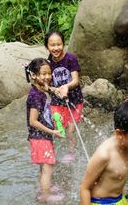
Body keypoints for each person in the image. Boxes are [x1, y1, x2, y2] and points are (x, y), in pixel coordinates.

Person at [80, 98, 128, 205]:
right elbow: (84, 189)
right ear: (119, 134)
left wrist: (125, 198)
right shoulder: (104, 155)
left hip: (119, 199)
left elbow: (119, 180)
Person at [24, 58, 65, 202]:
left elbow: (48, 89)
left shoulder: (40, 91)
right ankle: (45, 196)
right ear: (34, 75)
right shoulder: (35, 96)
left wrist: (54, 117)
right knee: (48, 167)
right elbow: (33, 121)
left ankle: (44, 187)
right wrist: (53, 132)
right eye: (43, 74)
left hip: (41, 137)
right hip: (39, 137)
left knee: (44, 166)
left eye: (49, 73)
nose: (47, 77)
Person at [44, 30, 84, 163]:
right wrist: (53, 89)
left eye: (58, 44)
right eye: (52, 45)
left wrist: (66, 87)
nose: (56, 48)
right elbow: (47, 85)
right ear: (47, 47)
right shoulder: (48, 63)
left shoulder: (70, 59)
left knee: (70, 130)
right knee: (57, 125)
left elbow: (75, 80)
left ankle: (71, 153)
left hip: (74, 100)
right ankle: (56, 150)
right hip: (57, 101)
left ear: (63, 44)